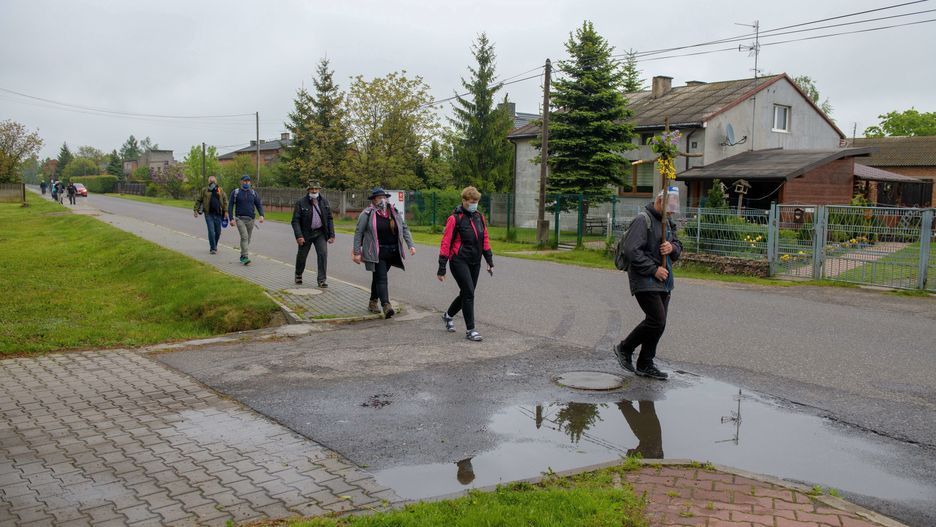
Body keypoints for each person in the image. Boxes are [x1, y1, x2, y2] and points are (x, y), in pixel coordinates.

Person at [613, 188, 682, 380]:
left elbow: (678, 247)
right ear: (659, 202)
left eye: (673, 211)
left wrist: (672, 247)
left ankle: (645, 363)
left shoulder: (667, 222)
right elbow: (631, 251)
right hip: (645, 279)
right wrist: (653, 270)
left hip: (664, 280)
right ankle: (625, 348)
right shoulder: (642, 220)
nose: (670, 214)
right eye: (669, 210)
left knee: (659, 324)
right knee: (656, 320)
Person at [437, 186, 494, 342]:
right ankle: (471, 330)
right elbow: (445, 243)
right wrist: (442, 268)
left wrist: (489, 260)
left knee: (466, 293)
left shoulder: (479, 217)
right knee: (469, 292)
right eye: (471, 201)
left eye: (476, 201)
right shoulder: (455, 219)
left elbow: (485, 239)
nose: (474, 204)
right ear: (464, 201)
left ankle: (448, 316)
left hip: (475, 261)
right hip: (458, 260)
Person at [352, 187, 415, 318]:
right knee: (382, 278)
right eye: (379, 198)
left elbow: (404, 228)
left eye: (384, 197)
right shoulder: (367, 214)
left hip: (391, 251)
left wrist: (411, 245)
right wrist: (357, 252)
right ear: (374, 200)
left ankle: (372, 302)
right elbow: (358, 233)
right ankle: (386, 305)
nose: (382, 200)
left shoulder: (393, 212)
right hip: (376, 252)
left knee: (378, 277)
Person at [291, 180, 335, 286]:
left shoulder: (324, 202)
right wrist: (299, 236)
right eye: (312, 189)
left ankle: (321, 280)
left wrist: (332, 234)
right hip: (306, 233)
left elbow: (329, 219)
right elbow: (295, 221)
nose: (314, 191)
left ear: (319, 190)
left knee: (323, 254)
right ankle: (298, 274)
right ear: (308, 190)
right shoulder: (301, 202)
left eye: (316, 189)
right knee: (302, 255)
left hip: (320, 233)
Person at [228, 175, 264, 265]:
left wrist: (261, 215)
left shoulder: (253, 193)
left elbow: (258, 204)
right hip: (239, 219)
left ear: (250, 182)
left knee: (248, 239)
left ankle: (242, 255)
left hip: (251, 220)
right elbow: (230, 205)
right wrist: (231, 219)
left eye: (248, 181)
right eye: (245, 181)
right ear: (241, 182)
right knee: (244, 237)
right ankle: (245, 256)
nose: (246, 183)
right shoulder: (235, 192)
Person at [193, 175, 228, 254]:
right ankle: (213, 248)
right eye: (211, 181)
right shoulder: (205, 190)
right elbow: (199, 200)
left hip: (218, 214)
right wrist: (195, 210)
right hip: (209, 214)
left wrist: (226, 211)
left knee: (218, 232)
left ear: (216, 182)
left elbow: (225, 201)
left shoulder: (220, 190)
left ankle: (214, 245)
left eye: (214, 181)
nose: (212, 182)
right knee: (211, 231)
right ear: (208, 182)